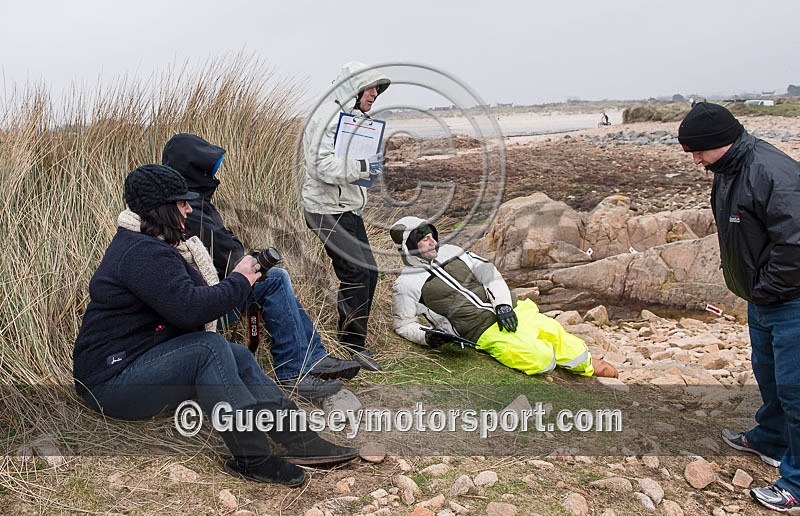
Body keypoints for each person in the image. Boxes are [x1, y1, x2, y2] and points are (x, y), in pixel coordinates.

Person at [72, 164, 358, 487]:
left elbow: (194, 296)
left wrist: (240, 279)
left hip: (137, 362)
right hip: (109, 384)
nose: (190, 209)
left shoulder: (157, 246)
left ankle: (298, 438)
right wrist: (240, 281)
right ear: (164, 207)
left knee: (236, 354)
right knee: (209, 349)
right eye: (182, 203)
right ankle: (252, 456)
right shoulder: (140, 253)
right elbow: (190, 309)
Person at [162, 133, 360, 400]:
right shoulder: (192, 209)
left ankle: (313, 358)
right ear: (194, 168)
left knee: (274, 278)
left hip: (200, 295)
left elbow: (222, 250)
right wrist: (247, 256)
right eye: (208, 166)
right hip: (205, 306)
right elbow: (230, 256)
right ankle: (294, 369)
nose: (213, 171)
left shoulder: (179, 204)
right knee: (275, 278)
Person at [678, 102, 800, 512]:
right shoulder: (727, 169)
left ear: (721, 142)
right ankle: (770, 439)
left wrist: (768, 287)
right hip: (763, 299)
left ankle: (796, 482)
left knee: (796, 389)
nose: (695, 160)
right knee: (769, 376)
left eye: (697, 150)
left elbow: (796, 243)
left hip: (790, 300)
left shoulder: (772, 172)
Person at [389, 216, 619, 379]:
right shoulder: (406, 283)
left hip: (514, 310)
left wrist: (503, 306)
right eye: (424, 239)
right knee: (541, 360)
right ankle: (549, 360)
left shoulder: (452, 251)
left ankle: (588, 367)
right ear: (409, 246)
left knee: (572, 348)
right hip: (482, 331)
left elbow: (488, 272)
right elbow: (403, 324)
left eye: (432, 236)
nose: (433, 242)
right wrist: (427, 337)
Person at [301, 61, 391, 372]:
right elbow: (321, 167)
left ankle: (354, 343)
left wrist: (370, 165)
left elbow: (348, 164)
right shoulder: (326, 118)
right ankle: (352, 349)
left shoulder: (354, 119)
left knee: (369, 273)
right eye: (370, 88)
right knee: (356, 274)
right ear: (353, 87)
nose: (375, 94)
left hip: (345, 209)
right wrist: (365, 167)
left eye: (378, 89)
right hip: (325, 210)